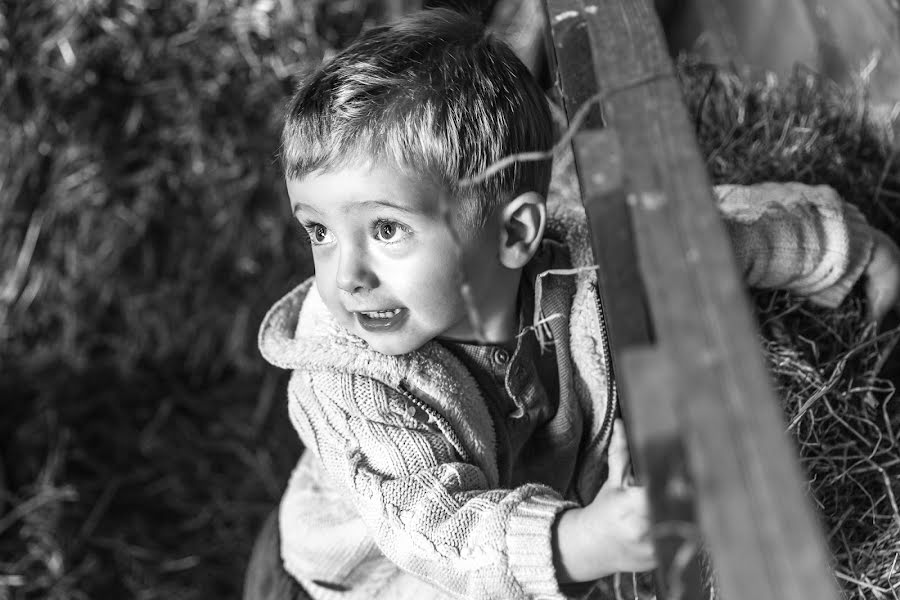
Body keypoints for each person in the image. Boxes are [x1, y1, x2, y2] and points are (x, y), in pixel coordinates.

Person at [245, 8, 900, 600]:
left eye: (386, 230)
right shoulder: (348, 389)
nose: (347, 275)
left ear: (514, 234)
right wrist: (582, 541)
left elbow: (704, 235)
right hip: (344, 582)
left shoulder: (580, 259)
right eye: (320, 231)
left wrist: (840, 245)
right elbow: (438, 536)